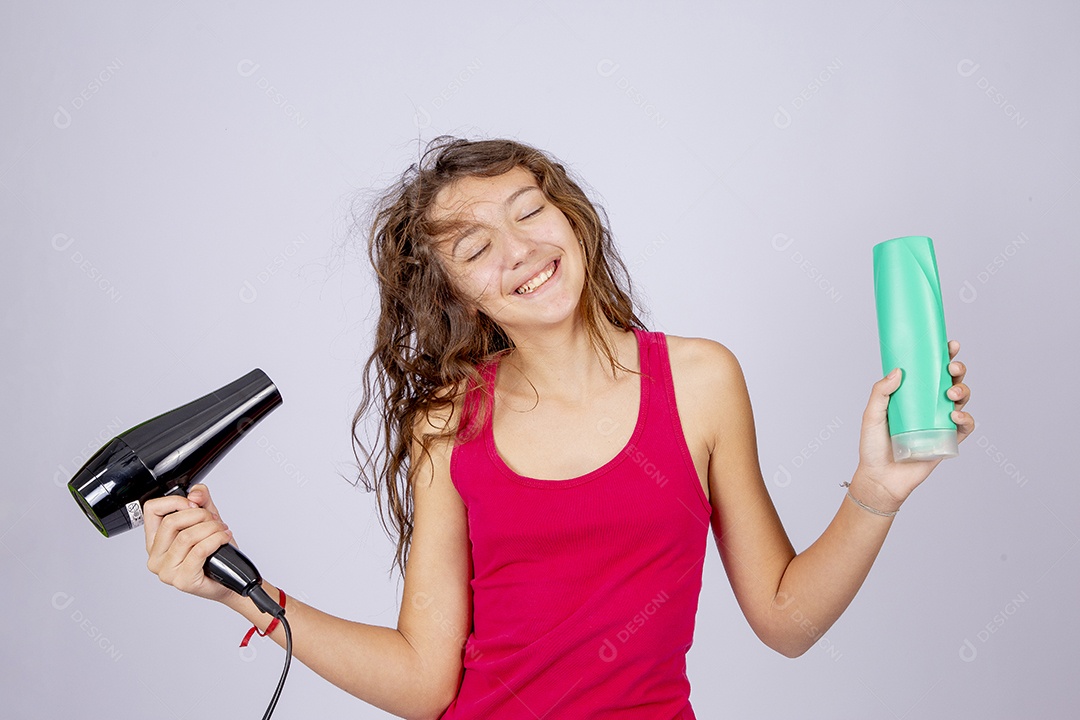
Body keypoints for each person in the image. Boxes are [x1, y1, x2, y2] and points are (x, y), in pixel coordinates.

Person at [143, 136, 975, 719]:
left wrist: (875, 491)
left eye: (529, 211)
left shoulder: (699, 380)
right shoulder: (446, 426)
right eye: (473, 248)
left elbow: (786, 621)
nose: (518, 249)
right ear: (453, 295)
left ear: (571, 218)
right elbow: (426, 683)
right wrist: (241, 595)